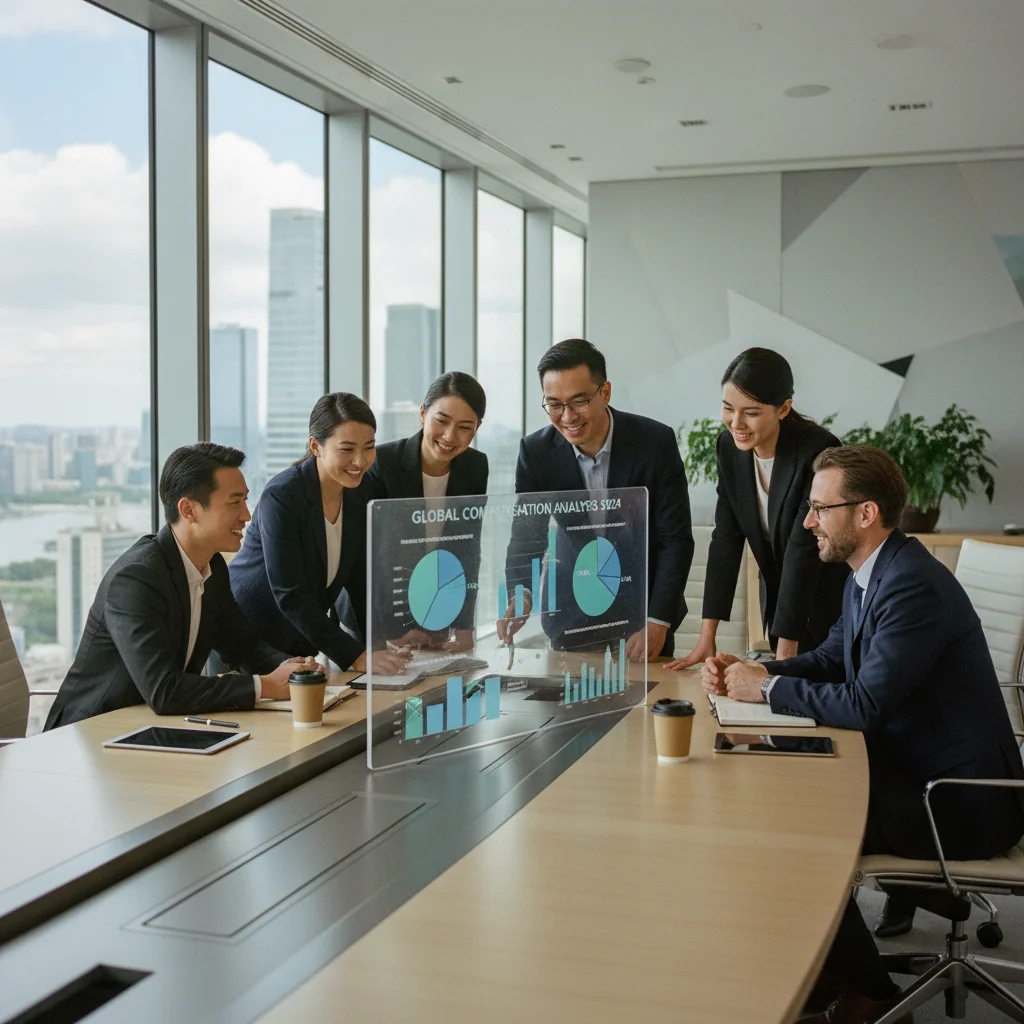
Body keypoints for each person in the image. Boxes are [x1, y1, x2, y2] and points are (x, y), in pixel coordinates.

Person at [703, 445, 1024, 1024]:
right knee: (782, 789)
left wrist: (765, 692)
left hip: (960, 800)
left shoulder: (910, 586)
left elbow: (865, 702)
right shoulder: (871, 573)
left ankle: (870, 987)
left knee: (795, 820)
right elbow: (832, 659)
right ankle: (829, 961)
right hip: (910, 768)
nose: (807, 522)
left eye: (820, 509)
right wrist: (755, 672)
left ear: (865, 513)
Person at [45, 444, 314, 729]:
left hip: (150, 730)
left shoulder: (213, 567)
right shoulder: (136, 578)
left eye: (245, 501)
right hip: (87, 737)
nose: (247, 515)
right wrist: (265, 687)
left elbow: (243, 647)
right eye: (235, 503)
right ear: (188, 509)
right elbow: (164, 691)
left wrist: (298, 671)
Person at [497, 338, 694, 659]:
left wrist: (658, 620)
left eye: (579, 401)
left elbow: (674, 539)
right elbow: (526, 538)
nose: (567, 416)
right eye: (554, 404)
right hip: (571, 613)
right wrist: (521, 594)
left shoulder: (654, 442)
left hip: (641, 613)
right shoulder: (536, 453)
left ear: (605, 392)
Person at [670, 347, 848, 669]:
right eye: (728, 409)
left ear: (783, 408)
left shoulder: (817, 449)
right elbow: (726, 538)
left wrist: (784, 659)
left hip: (826, 604)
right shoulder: (729, 448)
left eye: (750, 412)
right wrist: (706, 637)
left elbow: (801, 550)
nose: (736, 423)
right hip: (779, 600)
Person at [229, 393, 409, 675]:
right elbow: (290, 594)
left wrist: (377, 644)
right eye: (347, 449)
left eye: (369, 447)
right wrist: (355, 656)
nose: (360, 461)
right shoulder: (283, 495)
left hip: (299, 638)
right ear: (316, 446)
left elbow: (359, 578)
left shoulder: (360, 491)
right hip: (249, 636)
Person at [367, 372, 488, 652]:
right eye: (442, 421)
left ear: (477, 428)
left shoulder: (475, 466)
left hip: (435, 617)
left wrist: (464, 628)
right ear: (423, 413)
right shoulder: (384, 463)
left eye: (464, 427)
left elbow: (468, 550)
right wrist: (385, 633)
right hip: (378, 625)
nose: (449, 436)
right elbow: (366, 560)